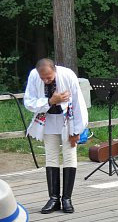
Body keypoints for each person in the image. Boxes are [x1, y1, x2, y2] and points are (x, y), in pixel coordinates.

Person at [24, 58, 88, 214]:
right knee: (51, 157)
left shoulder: (68, 75)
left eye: (49, 77)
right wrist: (50, 100)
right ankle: (53, 199)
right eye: (43, 78)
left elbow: (79, 103)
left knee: (69, 156)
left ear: (55, 70)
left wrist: (77, 131)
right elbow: (29, 102)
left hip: (68, 120)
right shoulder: (34, 75)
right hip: (48, 120)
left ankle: (67, 199)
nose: (46, 80)